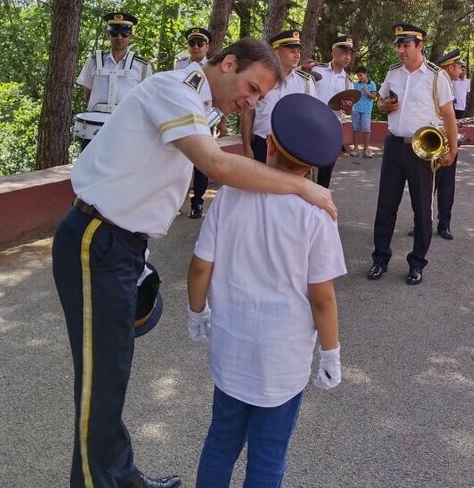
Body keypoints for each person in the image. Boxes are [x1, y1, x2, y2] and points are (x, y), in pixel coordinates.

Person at [51, 38, 336, 488]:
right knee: (99, 381)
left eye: (260, 96)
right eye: (252, 87)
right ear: (227, 63)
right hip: (98, 238)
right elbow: (215, 165)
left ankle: (120, 477)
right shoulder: (176, 89)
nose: (252, 100)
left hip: (121, 243)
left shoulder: (199, 104)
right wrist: (302, 187)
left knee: (112, 373)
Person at [187, 93, 346, 488]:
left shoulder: (230, 196)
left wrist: (196, 312)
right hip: (282, 359)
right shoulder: (317, 213)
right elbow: (322, 297)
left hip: (232, 349)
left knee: (220, 442)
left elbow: (200, 266)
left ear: (269, 143)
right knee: (269, 455)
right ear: (311, 166)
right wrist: (331, 353)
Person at [367, 23, 458, 285]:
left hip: (423, 150)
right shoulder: (393, 73)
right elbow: (382, 103)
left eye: (406, 45)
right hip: (395, 145)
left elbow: (449, 115)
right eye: (398, 45)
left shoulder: (436, 75)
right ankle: (380, 259)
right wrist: (385, 104)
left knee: (421, 209)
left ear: (420, 46)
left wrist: (452, 149)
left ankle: (417, 263)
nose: (400, 50)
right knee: (386, 205)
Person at [75, 12, 153, 144]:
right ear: (108, 36)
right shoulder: (94, 61)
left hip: (126, 126)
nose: (119, 37)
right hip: (95, 126)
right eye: (114, 33)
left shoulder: (142, 65)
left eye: (124, 34)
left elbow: (146, 98)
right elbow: (87, 94)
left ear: (131, 37)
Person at [242, 30, 317, 163]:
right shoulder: (260, 78)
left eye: (298, 51)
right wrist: (247, 147)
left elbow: (311, 117)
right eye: (292, 51)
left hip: (292, 147)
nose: (297, 55)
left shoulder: (306, 82)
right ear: (277, 52)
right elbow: (248, 113)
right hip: (261, 144)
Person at [175, 27, 214, 219]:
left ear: (207, 47)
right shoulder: (180, 64)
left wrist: (221, 122)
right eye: (192, 43)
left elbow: (216, 97)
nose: (196, 47)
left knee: (201, 164)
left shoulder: (213, 67)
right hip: (181, 119)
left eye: (200, 43)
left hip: (205, 119)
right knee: (177, 161)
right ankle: (175, 202)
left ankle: (197, 202)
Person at [310, 34, 357, 187]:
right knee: (304, 167)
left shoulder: (348, 82)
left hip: (331, 129)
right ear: (333, 52)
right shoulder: (316, 70)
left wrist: (349, 109)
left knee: (325, 173)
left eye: (350, 53)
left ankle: (320, 206)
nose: (347, 56)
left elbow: (349, 113)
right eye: (344, 52)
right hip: (310, 125)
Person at [433, 49, 464, 240]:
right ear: (451, 66)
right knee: (426, 186)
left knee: (446, 186)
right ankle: (421, 222)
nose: (461, 70)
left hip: (445, 140)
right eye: (460, 66)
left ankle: (444, 224)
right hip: (431, 138)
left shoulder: (451, 85)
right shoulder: (435, 82)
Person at [351, 66, 377, 157]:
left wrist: (367, 91)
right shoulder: (356, 84)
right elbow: (352, 96)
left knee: (366, 130)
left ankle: (365, 150)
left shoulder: (372, 84)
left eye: (361, 75)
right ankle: (355, 149)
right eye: (358, 76)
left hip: (366, 110)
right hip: (356, 109)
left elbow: (374, 97)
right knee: (355, 129)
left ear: (366, 74)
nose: (360, 78)